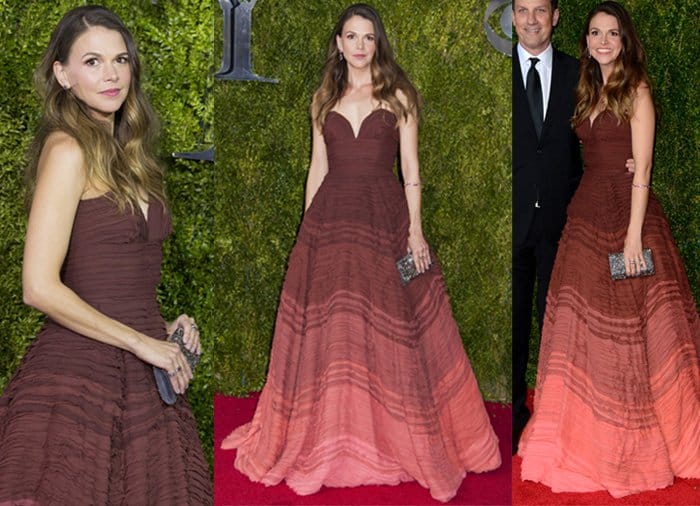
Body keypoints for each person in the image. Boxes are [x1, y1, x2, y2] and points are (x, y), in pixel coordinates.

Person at [221, 3, 501, 502]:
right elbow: (317, 168)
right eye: (351, 36)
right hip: (330, 220)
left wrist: (415, 231)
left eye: (368, 37)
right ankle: (336, 433)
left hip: (384, 219)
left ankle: (395, 433)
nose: (359, 45)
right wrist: (308, 232)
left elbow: (411, 168)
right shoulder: (322, 98)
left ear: (378, 43)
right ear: (338, 43)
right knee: (333, 329)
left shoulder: (398, 96)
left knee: (395, 327)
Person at [0, 6, 212, 504]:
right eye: (92, 61)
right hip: (77, 374)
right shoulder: (67, 150)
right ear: (63, 74)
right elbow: (39, 286)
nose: (112, 73)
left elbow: (124, 276)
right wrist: (142, 342)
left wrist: (165, 328)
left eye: (120, 60)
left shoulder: (133, 159)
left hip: (144, 373)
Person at [518, 1, 700, 497]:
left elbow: (642, 169)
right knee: (585, 328)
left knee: (635, 328)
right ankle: (588, 434)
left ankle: (641, 436)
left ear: (626, 40)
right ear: (586, 40)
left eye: (612, 33)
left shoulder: (636, 88)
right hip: (586, 214)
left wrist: (635, 236)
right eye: (595, 33)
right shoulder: (586, 88)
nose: (603, 41)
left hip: (629, 215)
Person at [511, 0, 582, 454]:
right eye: (523, 10)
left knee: (558, 324)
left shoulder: (582, 73)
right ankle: (516, 414)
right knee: (515, 323)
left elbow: (604, 129)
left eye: (541, 10)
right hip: (510, 222)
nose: (532, 19)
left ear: (556, 16)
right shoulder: (490, 73)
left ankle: (560, 423)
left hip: (565, 219)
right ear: (512, 16)